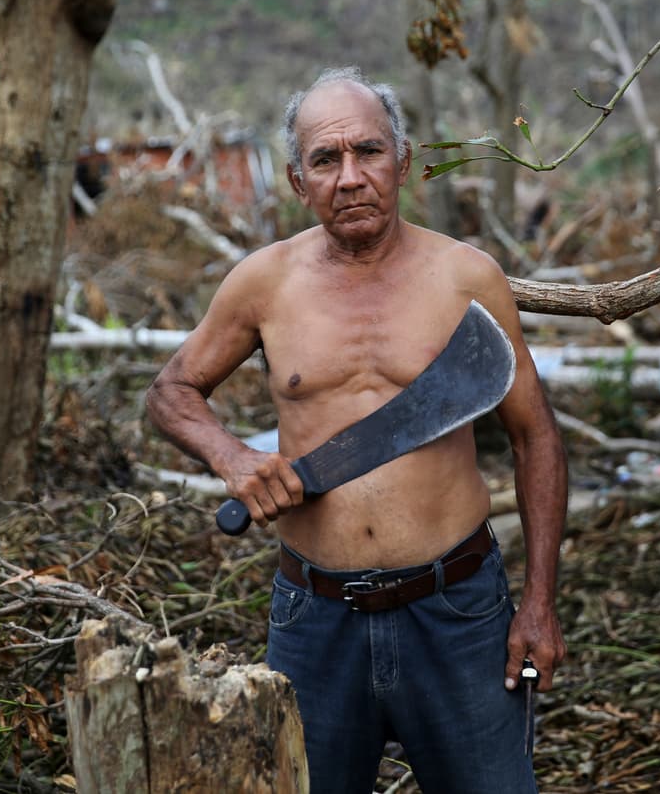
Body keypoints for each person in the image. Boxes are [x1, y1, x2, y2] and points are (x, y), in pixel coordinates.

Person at [145, 66, 567, 793]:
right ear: (295, 180)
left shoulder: (466, 277)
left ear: (402, 162)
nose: (350, 176)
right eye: (325, 159)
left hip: (458, 610)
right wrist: (232, 455)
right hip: (316, 621)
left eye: (368, 151)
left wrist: (538, 602)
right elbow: (170, 391)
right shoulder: (262, 284)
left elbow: (536, 437)